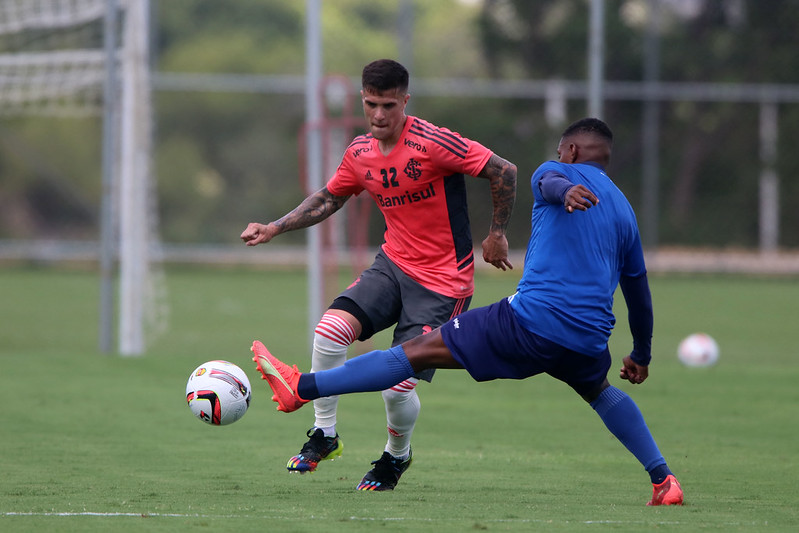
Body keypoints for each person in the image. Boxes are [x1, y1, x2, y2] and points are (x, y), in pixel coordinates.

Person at [251, 117, 684, 505]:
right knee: (602, 393)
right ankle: (663, 479)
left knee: (414, 352)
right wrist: (641, 353)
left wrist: (564, 188)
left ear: (570, 152)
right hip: (587, 340)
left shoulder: (555, 172)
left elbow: (546, 183)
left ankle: (303, 387)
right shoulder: (625, 211)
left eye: (560, 154)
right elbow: (638, 291)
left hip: (529, 323)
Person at [241, 59, 517, 491]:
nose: (379, 115)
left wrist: (497, 232)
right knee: (329, 332)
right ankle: (325, 434)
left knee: (396, 385)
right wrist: (274, 227)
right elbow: (330, 198)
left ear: (405, 100)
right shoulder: (360, 152)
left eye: (389, 105)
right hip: (392, 265)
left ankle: (395, 457)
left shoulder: (433, 143)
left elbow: (504, 170)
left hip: (444, 282)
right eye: (371, 104)